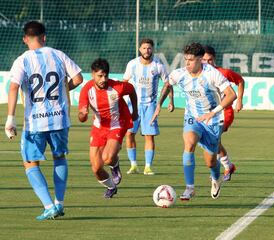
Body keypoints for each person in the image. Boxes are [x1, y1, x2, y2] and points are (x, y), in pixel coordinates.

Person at [4, 21, 83, 220]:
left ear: (25, 39)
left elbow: (13, 87)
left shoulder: (22, 60)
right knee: (60, 158)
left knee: (30, 163)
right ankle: (59, 203)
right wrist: (62, 92)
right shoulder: (58, 54)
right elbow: (79, 78)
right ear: (44, 37)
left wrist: (10, 120)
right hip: (59, 119)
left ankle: (48, 206)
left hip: (35, 122)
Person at [151, 42, 236, 200]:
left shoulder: (212, 74)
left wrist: (213, 112)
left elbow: (231, 94)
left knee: (211, 162)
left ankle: (216, 179)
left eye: (191, 60)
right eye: (185, 59)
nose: (187, 63)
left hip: (213, 120)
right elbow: (167, 84)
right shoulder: (180, 74)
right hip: (193, 117)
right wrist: (158, 105)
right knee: (189, 143)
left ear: (200, 59)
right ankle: (190, 188)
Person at [78, 58, 138, 199]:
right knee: (96, 168)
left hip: (117, 124)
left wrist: (134, 111)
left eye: (105, 75)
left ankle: (114, 164)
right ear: (93, 74)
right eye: (100, 76)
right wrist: (83, 114)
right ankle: (111, 187)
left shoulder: (117, 87)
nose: (103, 79)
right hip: (99, 127)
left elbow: (132, 90)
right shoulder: (87, 90)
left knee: (108, 157)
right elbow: (81, 116)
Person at [123, 38, 174, 175]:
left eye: (149, 48)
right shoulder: (132, 64)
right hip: (132, 104)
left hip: (150, 106)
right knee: (129, 134)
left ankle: (147, 167)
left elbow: (168, 84)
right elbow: (125, 83)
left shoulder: (158, 66)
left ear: (153, 49)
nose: (147, 50)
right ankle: (133, 165)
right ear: (140, 49)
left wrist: (171, 101)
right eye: (144, 48)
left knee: (149, 136)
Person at [202, 45, 244, 181]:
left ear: (214, 59)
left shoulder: (223, 73)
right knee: (212, 142)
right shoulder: (200, 75)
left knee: (213, 140)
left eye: (210, 60)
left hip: (225, 112)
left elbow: (240, 80)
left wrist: (239, 101)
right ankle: (228, 166)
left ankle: (223, 168)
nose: (207, 63)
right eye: (204, 60)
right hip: (209, 113)